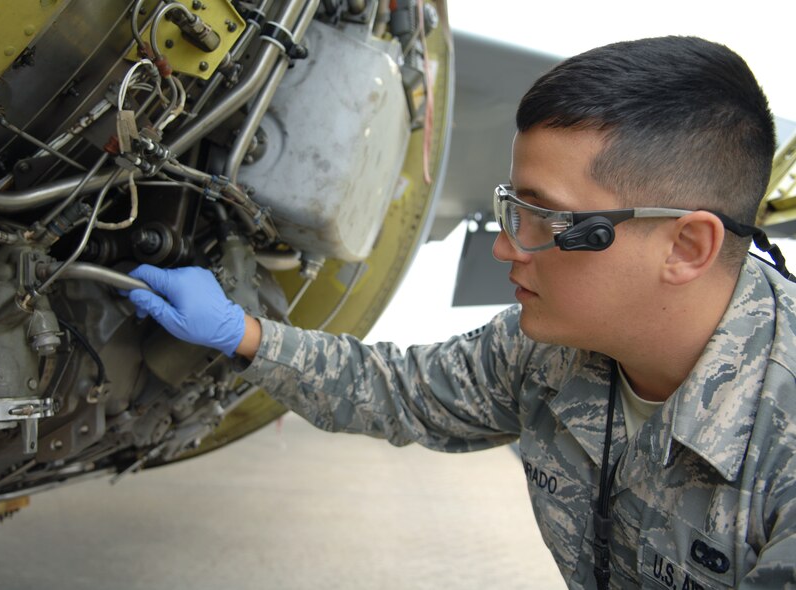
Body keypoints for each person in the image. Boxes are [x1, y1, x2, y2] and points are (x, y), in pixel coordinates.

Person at [126, 36, 796, 589]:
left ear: (686, 246)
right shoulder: (550, 350)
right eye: (513, 206)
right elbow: (403, 392)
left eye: (543, 217)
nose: (505, 246)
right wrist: (242, 334)